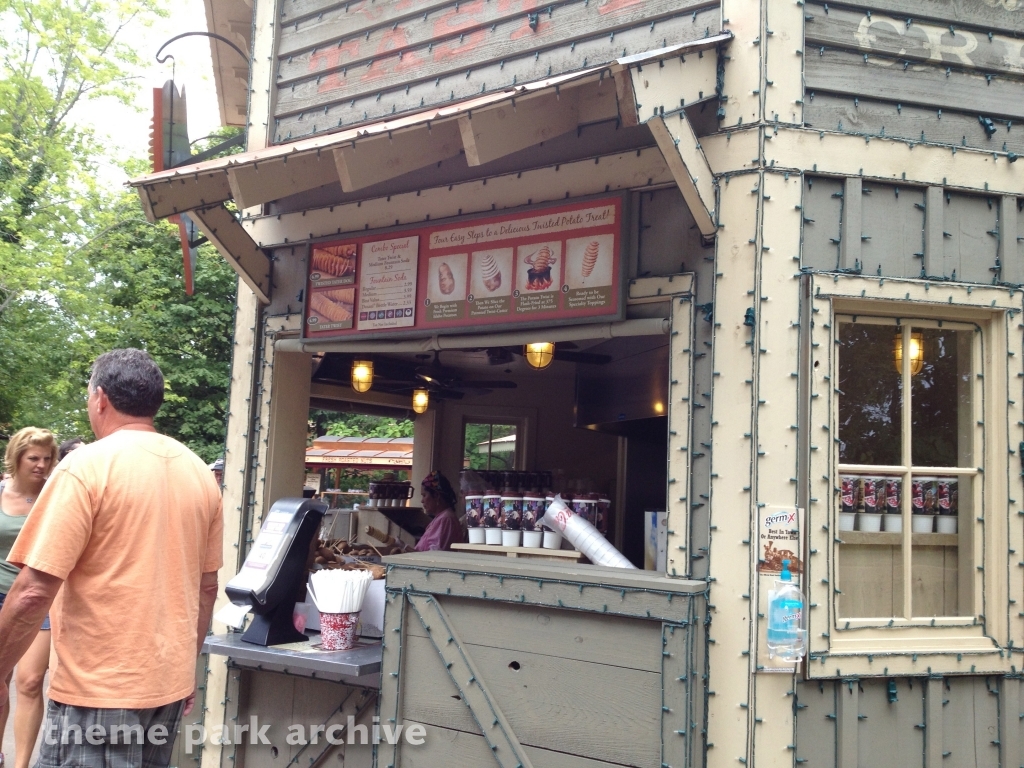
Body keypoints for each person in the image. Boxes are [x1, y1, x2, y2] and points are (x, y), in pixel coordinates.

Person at [0, 348, 223, 768]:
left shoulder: (85, 467)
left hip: (99, 689)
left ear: (100, 398)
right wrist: (184, 668)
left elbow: (33, 591)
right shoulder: (198, 472)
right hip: (167, 688)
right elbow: (207, 587)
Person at [0, 428, 58, 768]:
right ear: (17, 457)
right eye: (33, 458)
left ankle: (22, 764)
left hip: (40, 597)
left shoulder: (53, 496)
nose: (41, 465)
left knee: (31, 680)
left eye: (47, 458)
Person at [414, 471, 462, 552]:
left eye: (424, 495)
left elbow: (433, 556)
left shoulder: (446, 519)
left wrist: (405, 548)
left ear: (436, 495)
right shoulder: (441, 518)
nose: (422, 501)